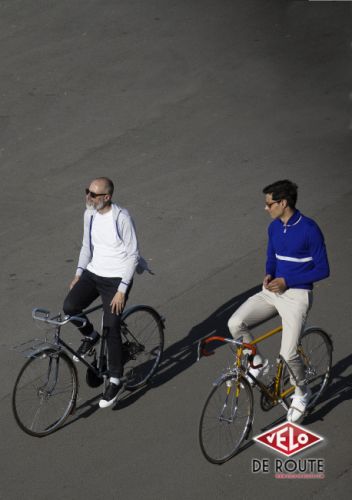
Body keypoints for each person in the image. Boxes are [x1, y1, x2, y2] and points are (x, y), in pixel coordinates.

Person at [227, 180, 330, 423]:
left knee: (288, 354)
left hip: (297, 296)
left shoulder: (309, 229)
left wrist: (288, 280)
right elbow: (271, 256)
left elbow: (323, 269)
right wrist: (270, 274)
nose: (266, 208)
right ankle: (259, 365)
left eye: (269, 204)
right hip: (273, 291)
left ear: (283, 203)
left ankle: (302, 391)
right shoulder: (274, 227)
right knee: (235, 323)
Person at [63, 177, 140, 408]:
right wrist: (78, 274)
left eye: (93, 194)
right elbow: (87, 246)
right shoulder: (90, 214)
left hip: (116, 279)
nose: (88, 197)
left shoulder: (122, 218)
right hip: (93, 273)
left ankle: (115, 379)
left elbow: (133, 255)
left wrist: (121, 291)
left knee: (111, 326)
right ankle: (90, 336)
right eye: (87, 192)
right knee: (70, 307)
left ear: (107, 197)